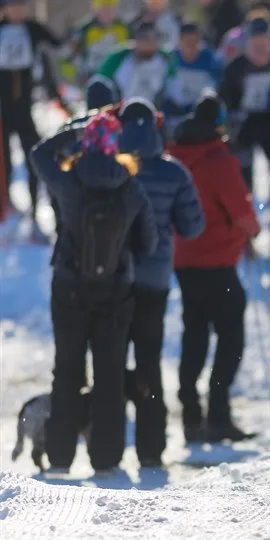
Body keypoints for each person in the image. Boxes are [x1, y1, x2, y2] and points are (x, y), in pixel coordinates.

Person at [30, 112, 158, 473]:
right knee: (110, 375)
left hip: (69, 288)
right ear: (116, 146)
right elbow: (149, 243)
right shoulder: (131, 188)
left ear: (85, 143)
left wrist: (73, 130)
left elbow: (38, 154)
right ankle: (106, 457)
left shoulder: (69, 181)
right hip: (116, 294)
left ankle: (60, 456)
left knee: (67, 371)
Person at [168, 92, 260, 443]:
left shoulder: (174, 157)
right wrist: (253, 230)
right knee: (230, 336)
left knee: (194, 335)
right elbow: (242, 213)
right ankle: (218, 414)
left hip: (183, 259)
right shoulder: (219, 160)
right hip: (218, 261)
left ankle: (191, 417)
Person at [118, 98, 205, 466]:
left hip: (114, 278)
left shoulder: (113, 168)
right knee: (149, 358)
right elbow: (192, 226)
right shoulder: (174, 173)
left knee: (111, 359)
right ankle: (151, 449)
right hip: (155, 278)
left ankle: (106, 443)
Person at [0, 0, 62, 231]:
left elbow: (56, 42)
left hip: (25, 108)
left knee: (34, 156)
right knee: (3, 161)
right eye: (12, 7)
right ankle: (5, 207)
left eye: (21, 7)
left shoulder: (32, 29)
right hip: (2, 110)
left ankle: (35, 206)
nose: (17, 12)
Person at [219, 17, 270, 192]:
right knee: (241, 166)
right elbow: (225, 96)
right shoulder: (236, 66)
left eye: (264, 44)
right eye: (255, 44)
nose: (260, 49)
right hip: (245, 121)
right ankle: (245, 203)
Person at [98, 22, 176, 107]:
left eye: (155, 39)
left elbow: (174, 86)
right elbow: (99, 80)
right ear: (136, 40)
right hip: (121, 111)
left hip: (155, 113)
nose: (151, 44)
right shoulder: (120, 57)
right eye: (146, 39)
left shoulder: (165, 59)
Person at [67, 0, 129, 85]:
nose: (108, 12)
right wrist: (76, 78)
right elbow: (68, 57)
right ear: (95, 9)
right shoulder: (84, 29)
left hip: (118, 79)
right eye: (104, 8)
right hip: (91, 78)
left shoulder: (124, 28)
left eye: (111, 8)